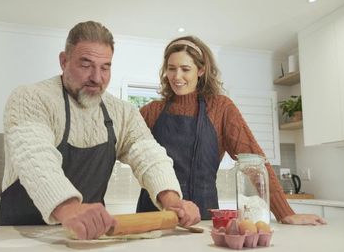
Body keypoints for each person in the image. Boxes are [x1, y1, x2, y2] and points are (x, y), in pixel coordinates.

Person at [0, 21, 200, 239]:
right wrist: (68, 208)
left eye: (105, 67)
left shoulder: (122, 112)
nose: (97, 77)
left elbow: (149, 156)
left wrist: (173, 202)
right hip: (21, 237)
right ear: (64, 61)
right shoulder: (31, 98)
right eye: (86, 65)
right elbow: (34, 157)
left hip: (89, 238)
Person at [136, 35, 326, 225]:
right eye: (171, 69)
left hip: (201, 219)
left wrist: (285, 213)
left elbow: (254, 162)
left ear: (201, 70)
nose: (177, 77)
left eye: (185, 69)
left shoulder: (221, 109)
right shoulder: (151, 112)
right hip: (152, 218)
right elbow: (122, 146)